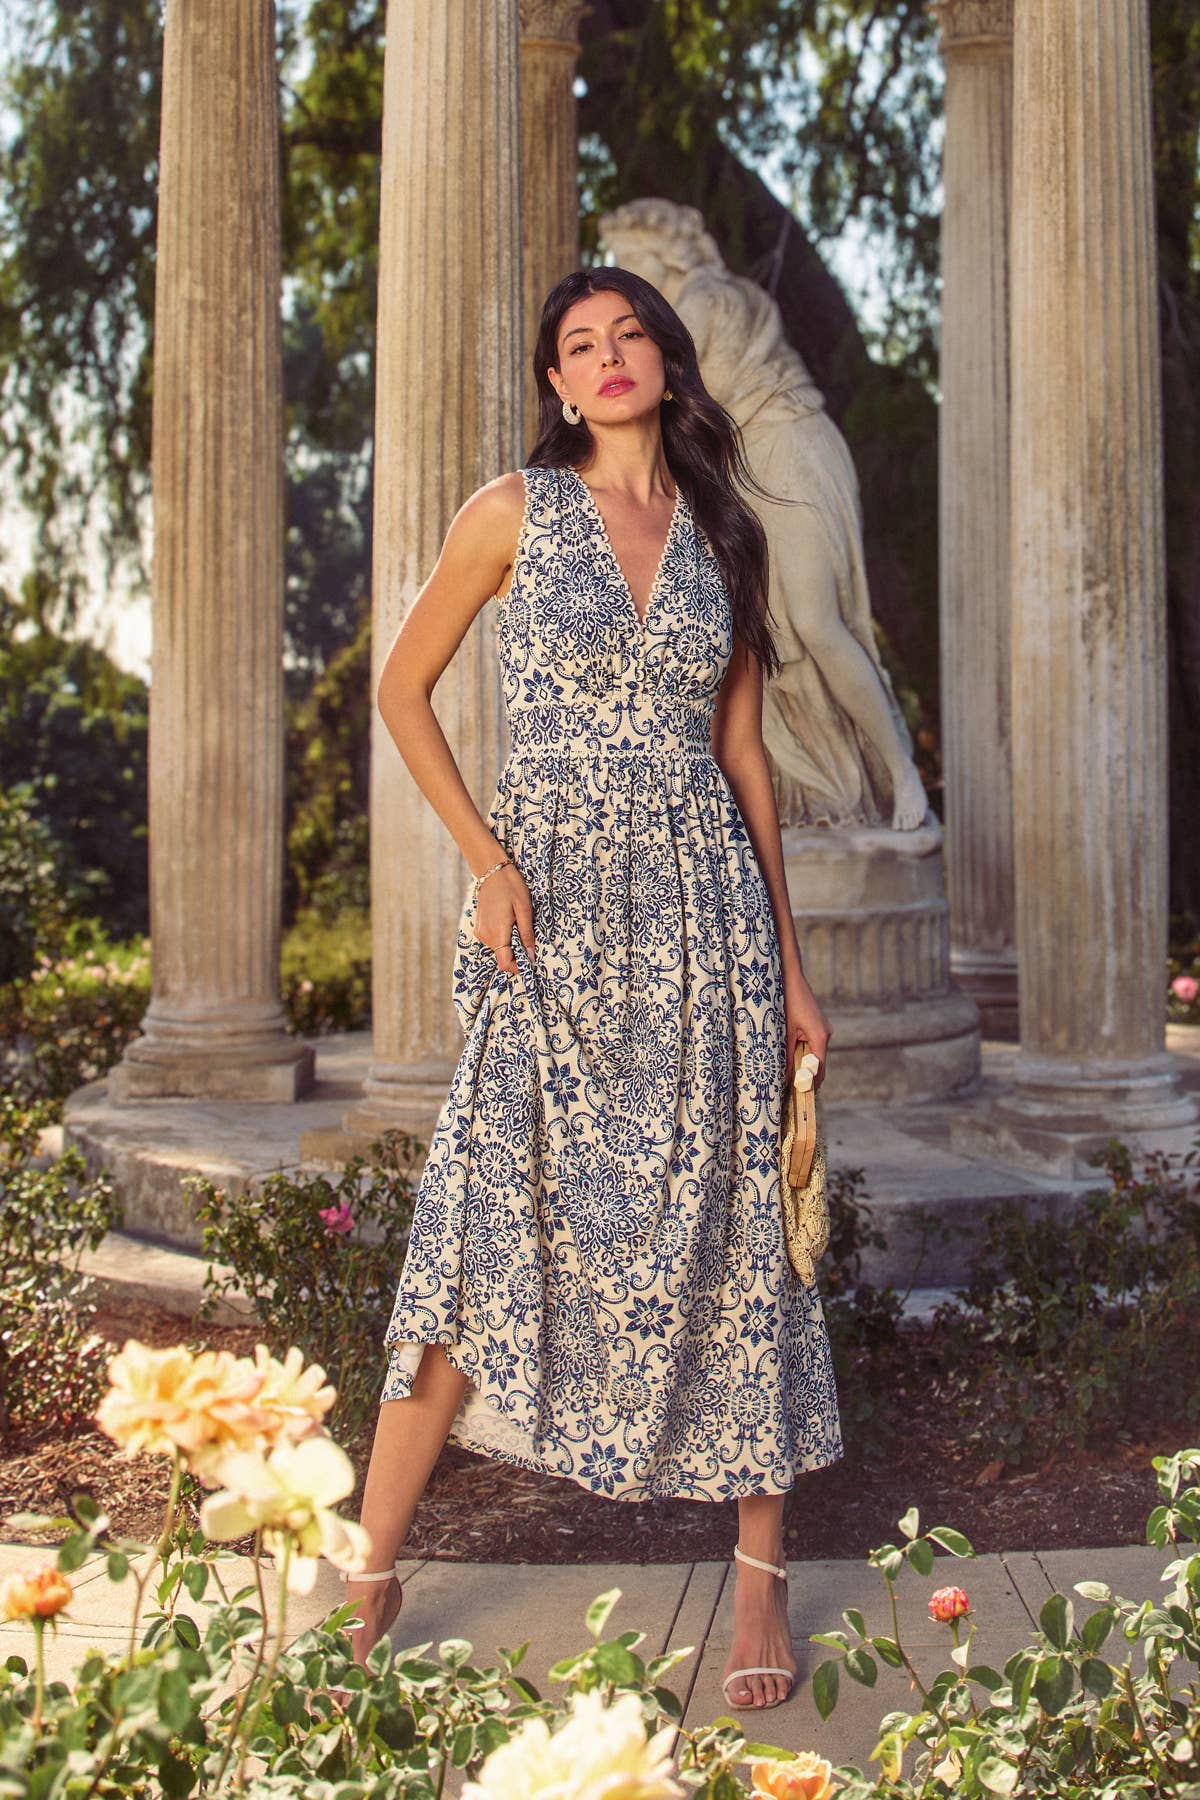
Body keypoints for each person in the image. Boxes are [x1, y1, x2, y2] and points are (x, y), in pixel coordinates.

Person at [342, 268, 844, 1712]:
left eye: (630, 335)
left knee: (742, 1234)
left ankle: (759, 1580)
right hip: (549, 916)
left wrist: (791, 966)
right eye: (580, 342)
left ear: (667, 364)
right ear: (558, 383)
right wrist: (490, 861)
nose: (609, 356)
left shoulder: (726, 534)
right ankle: (367, 1574)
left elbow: (743, 760)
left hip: (705, 916)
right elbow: (399, 689)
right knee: (478, 1224)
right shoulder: (509, 512)